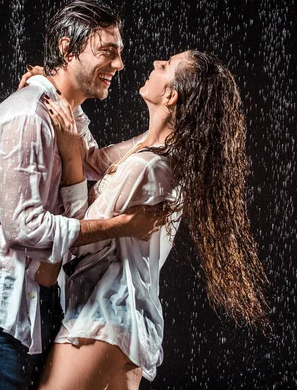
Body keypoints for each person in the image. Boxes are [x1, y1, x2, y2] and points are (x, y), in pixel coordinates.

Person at [0, 0, 165, 390]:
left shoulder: (66, 114)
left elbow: (99, 163)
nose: (119, 64)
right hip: (3, 310)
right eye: (107, 51)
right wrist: (121, 226)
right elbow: (24, 227)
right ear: (68, 50)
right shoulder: (30, 116)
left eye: (120, 52)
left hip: (37, 302)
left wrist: (164, 136)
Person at [35, 50, 270, 389]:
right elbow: (95, 160)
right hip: (123, 317)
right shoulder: (153, 152)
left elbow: (77, 237)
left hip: (107, 314)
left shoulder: (148, 168)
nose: (155, 65)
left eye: (166, 66)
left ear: (170, 95)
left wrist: (69, 152)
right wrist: (60, 94)